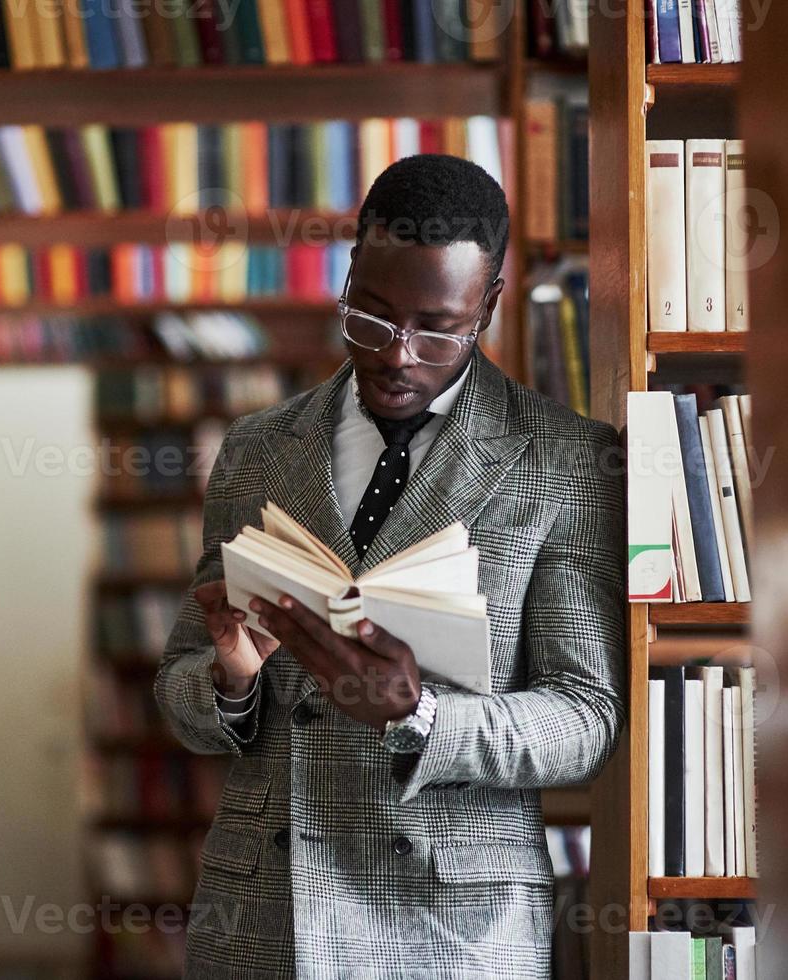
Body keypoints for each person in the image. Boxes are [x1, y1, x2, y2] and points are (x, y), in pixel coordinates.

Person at [154, 153, 625, 978]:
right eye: (369, 319)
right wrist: (230, 684)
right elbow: (180, 693)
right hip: (269, 917)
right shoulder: (257, 452)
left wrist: (424, 719)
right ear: (348, 277)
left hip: (454, 929)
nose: (400, 354)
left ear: (488, 307)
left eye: (437, 327)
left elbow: (587, 719)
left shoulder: (564, 461)